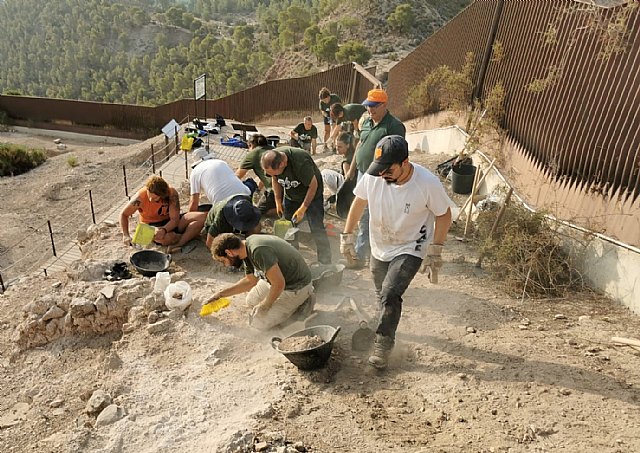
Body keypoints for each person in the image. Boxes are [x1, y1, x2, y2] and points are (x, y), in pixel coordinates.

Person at [340, 135, 452, 369]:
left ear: (405, 162)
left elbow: (443, 214)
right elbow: (359, 203)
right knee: (381, 292)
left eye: (388, 169)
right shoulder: (375, 176)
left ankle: (383, 343)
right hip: (380, 245)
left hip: (411, 246)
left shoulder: (427, 183)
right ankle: (383, 321)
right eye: (379, 169)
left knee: (390, 293)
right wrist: (347, 236)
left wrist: (436, 249)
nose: (383, 174)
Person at [344, 88, 406, 268]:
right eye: (367, 106)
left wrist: (389, 178)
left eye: (373, 106)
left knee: (370, 215)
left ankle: (362, 255)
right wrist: (352, 168)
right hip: (363, 173)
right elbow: (360, 144)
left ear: (384, 105)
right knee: (362, 212)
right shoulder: (366, 122)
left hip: (381, 176)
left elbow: (397, 153)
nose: (370, 110)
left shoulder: (394, 126)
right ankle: (367, 251)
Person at [208, 233, 315, 330]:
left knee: (260, 324)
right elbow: (250, 281)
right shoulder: (245, 248)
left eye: (223, 261)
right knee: (251, 301)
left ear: (229, 252)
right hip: (274, 279)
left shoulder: (258, 250)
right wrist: (221, 294)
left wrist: (265, 306)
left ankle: (305, 301)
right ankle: (286, 304)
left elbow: (279, 284)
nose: (226, 265)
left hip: (295, 286)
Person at [261, 148, 332, 264]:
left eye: (275, 172)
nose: (272, 175)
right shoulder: (270, 161)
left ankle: (325, 261)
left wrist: (303, 208)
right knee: (289, 228)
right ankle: (292, 257)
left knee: (316, 227)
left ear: (283, 163)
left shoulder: (300, 162)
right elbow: (275, 178)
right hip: (291, 196)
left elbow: (313, 185)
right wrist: (278, 201)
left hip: (312, 195)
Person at [120, 175, 206, 251]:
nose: (151, 200)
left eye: (155, 198)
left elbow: (174, 220)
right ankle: (184, 238)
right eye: (149, 196)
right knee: (166, 238)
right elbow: (124, 214)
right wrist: (126, 235)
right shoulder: (140, 198)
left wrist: (164, 229)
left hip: (170, 222)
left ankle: (181, 239)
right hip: (151, 225)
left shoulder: (171, 193)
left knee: (201, 217)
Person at [236, 134, 277, 217]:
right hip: (287, 185)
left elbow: (237, 176)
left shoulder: (253, 154)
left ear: (250, 145)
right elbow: (265, 176)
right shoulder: (273, 149)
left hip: (275, 189)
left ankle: (284, 210)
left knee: (259, 213)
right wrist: (258, 190)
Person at [318, 87, 341, 152]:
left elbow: (339, 108)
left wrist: (333, 118)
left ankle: (334, 146)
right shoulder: (321, 102)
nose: (324, 102)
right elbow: (322, 111)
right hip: (327, 114)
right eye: (323, 101)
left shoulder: (335, 98)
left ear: (328, 97)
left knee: (334, 130)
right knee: (327, 130)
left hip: (335, 113)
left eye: (325, 100)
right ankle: (325, 145)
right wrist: (327, 116)